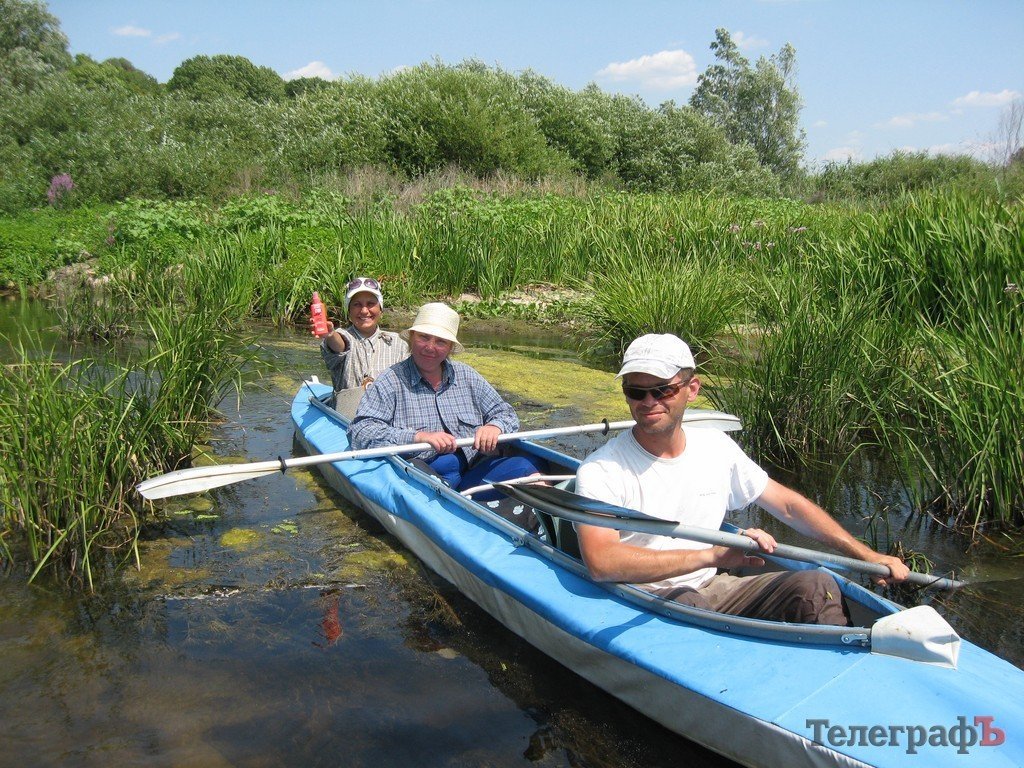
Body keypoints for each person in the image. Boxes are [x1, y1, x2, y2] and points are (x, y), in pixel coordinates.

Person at [574, 333, 910, 625]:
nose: (648, 402)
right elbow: (603, 563)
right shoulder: (602, 471)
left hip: (712, 587)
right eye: (636, 391)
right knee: (690, 607)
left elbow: (790, 507)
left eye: (662, 390)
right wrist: (711, 557)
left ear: (691, 390)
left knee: (816, 586)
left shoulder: (716, 446)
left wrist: (865, 555)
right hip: (645, 597)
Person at [348, 302, 546, 506]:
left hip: (473, 473)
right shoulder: (390, 381)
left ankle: (555, 528)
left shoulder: (467, 376)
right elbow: (361, 432)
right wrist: (418, 437)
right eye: (424, 337)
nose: (430, 347)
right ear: (412, 338)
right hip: (425, 480)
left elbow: (504, 412)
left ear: (450, 347)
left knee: (529, 466)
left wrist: (495, 426)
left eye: (441, 342)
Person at [311, 276, 409, 394]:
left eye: (370, 303)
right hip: (347, 410)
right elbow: (340, 346)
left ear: (381, 310)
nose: (364, 311)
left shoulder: (399, 342)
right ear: (349, 311)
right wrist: (330, 334)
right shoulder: (343, 335)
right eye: (357, 304)